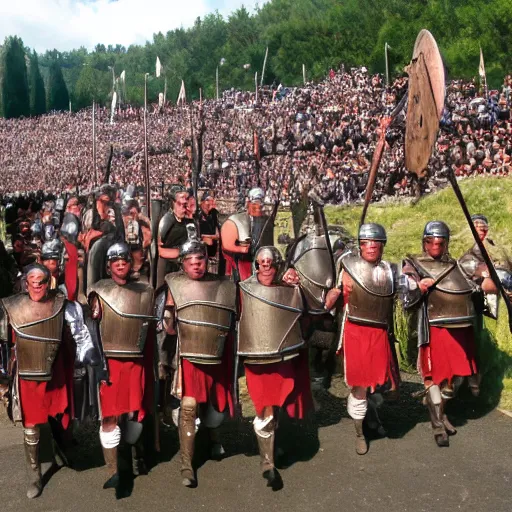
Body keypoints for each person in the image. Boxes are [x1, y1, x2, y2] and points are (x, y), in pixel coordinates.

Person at [0, 264, 95, 498]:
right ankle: (35, 474)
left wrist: (86, 360)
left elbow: (81, 335)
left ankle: (63, 447)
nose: (36, 285)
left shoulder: (64, 305)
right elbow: (2, 345)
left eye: (41, 281)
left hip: (57, 371)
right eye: (32, 280)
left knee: (61, 416)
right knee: (31, 427)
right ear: (25, 283)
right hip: (27, 374)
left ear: (48, 283)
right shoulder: (10, 307)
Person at [164, 226, 236, 487]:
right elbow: (168, 319)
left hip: (215, 353)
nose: (196, 265)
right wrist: (168, 319)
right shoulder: (175, 284)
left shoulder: (223, 284)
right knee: (189, 406)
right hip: (189, 354)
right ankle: (186, 463)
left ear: (207, 260)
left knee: (215, 404)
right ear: (183, 264)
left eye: (200, 260)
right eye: (191, 261)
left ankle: (215, 439)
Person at [238, 246, 312, 489]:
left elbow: (312, 307)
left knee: (276, 404)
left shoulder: (288, 288)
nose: (266, 266)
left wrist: (297, 280)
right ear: (256, 265)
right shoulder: (244, 288)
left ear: (277, 265)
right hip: (257, 358)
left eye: (270, 262)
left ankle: (270, 443)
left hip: (283, 356)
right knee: (265, 407)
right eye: (261, 262)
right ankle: (267, 463)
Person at [401, 221, 479, 447]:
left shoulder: (456, 265)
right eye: (430, 241)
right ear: (424, 242)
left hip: (458, 328)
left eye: (439, 241)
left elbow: (471, 288)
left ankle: (442, 412)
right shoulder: (412, 264)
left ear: (446, 243)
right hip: (433, 328)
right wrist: (418, 287)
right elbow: (405, 296)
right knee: (434, 376)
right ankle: (437, 425)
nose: (435, 245)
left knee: (457, 377)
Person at [325, 223, 399, 455]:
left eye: (375, 244)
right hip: (355, 332)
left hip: (379, 333)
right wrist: (329, 298)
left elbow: (406, 294)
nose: (371, 247)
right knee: (359, 385)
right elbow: (333, 294)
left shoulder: (390, 270)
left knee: (377, 383)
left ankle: (370, 417)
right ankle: (359, 433)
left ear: (382, 246)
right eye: (366, 243)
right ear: (360, 245)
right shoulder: (347, 266)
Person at [88, 242, 156, 493]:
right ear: (108, 265)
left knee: (134, 411)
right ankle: (114, 471)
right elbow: (92, 330)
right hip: (109, 363)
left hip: (135, 361)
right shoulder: (97, 291)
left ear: (131, 263)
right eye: (115, 260)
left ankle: (137, 456)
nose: (120, 264)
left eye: (124, 259)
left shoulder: (145, 290)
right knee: (109, 415)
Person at [221, 187, 274, 282]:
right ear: (249, 203)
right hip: (242, 260)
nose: (258, 207)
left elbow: (269, 244)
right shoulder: (238, 220)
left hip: (260, 261)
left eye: (260, 205)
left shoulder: (267, 222)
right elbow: (227, 245)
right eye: (255, 204)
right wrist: (241, 249)